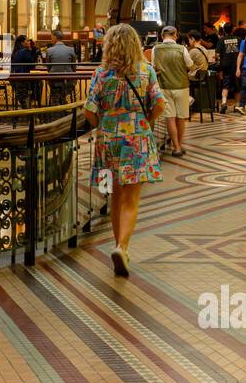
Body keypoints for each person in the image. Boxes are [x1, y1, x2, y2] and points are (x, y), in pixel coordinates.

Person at [83, 22, 164, 277]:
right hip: (137, 137)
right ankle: (122, 247)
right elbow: (159, 104)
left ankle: (118, 245)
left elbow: (89, 110)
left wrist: (104, 125)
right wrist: (146, 121)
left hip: (108, 139)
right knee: (132, 198)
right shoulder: (146, 71)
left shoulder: (101, 73)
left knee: (115, 194)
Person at [151, 24, 195, 156]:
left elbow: (153, 66)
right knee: (181, 118)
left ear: (162, 36)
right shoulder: (182, 49)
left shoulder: (155, 49)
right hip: (182, 86)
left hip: (164, 87)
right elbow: (190, 65)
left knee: (170, 118)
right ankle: (178, 146)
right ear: (175, 35)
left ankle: (176, 146)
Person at [45, 27, 77, 105]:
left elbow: (48, 67)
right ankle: (63, 102)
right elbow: (74, 66)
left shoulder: (49, 50)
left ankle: (56, 105)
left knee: (55, 93)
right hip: (68, 80)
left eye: (51, 37)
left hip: (54, 80)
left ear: (54, 37)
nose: (51, 39)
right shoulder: (71, 49)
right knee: (65, 90)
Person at [217, 23, 241, 113]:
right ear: (233, 30)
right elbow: (242, 53)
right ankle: (237, 105)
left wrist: (219, 68)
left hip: (225, 65)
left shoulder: (221, 40)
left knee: (225, 85)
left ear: (224, 30)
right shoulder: (238, 39)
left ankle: (224, 103)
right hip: (236, 65)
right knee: (237, 86)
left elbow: (217, 54)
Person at [9, 33, 35, 105]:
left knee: (21, 96)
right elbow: (32, 65)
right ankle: (28, 110)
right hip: (22, 78)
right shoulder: (25, 51)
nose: (29, 42)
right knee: (24, 97)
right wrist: (30, 50)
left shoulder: (15, 51)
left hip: (14, 77)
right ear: (22, 43)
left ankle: (24, 109)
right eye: (27, 40)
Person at [234, 24, 246, 114]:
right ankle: (242, 106)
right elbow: (240, 55)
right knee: (244, 87)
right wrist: (238, 68)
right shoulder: (244, 42)